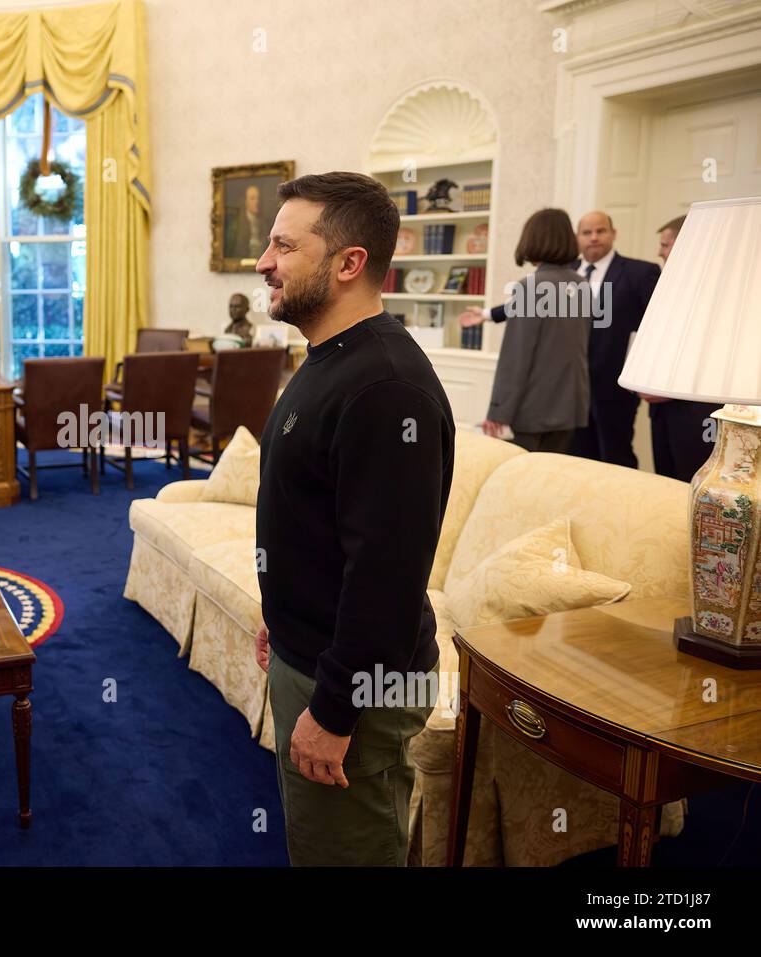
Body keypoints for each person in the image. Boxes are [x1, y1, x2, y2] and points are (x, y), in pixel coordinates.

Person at [253, 171, 455, 866]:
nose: (263, 262)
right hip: (310, 652)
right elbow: (316, 518)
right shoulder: (329, 358)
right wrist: (279, 617)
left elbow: (387, 577)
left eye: (283, 245)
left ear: (348, 263)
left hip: (355, 687)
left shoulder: (386, 388)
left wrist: (335, 709)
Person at [458, 209, 590, 452]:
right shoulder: (581, 285)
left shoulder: (531, 287)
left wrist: (498, 411)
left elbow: (515, 359)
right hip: (570, 407)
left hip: (531, 412)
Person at [566, 211, 661, 468]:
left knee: (615, 458)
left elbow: (658, 326)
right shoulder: (565, 273)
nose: (594, 238)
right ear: (578, 238)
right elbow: (529, 303)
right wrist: (487, 314)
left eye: (601, 231)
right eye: (587, 233)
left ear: (613, 234)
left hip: (615, 388)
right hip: (571, 388)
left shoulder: (641, 272)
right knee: (574, 459)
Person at [641, 214, 717, 481]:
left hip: (695, 411)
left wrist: (671, 389)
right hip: (661, 407)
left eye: (665, 244)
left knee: (692, 482)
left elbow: (712, 350)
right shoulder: (666, 284)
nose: (659, 252)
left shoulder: (714, 287)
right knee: (665, 481)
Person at [226, 184, 271, 259]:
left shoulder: (265, 224)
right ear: (245, 201)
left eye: (258, 198)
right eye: (252, 198)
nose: (257, 202)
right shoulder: (235, 225)